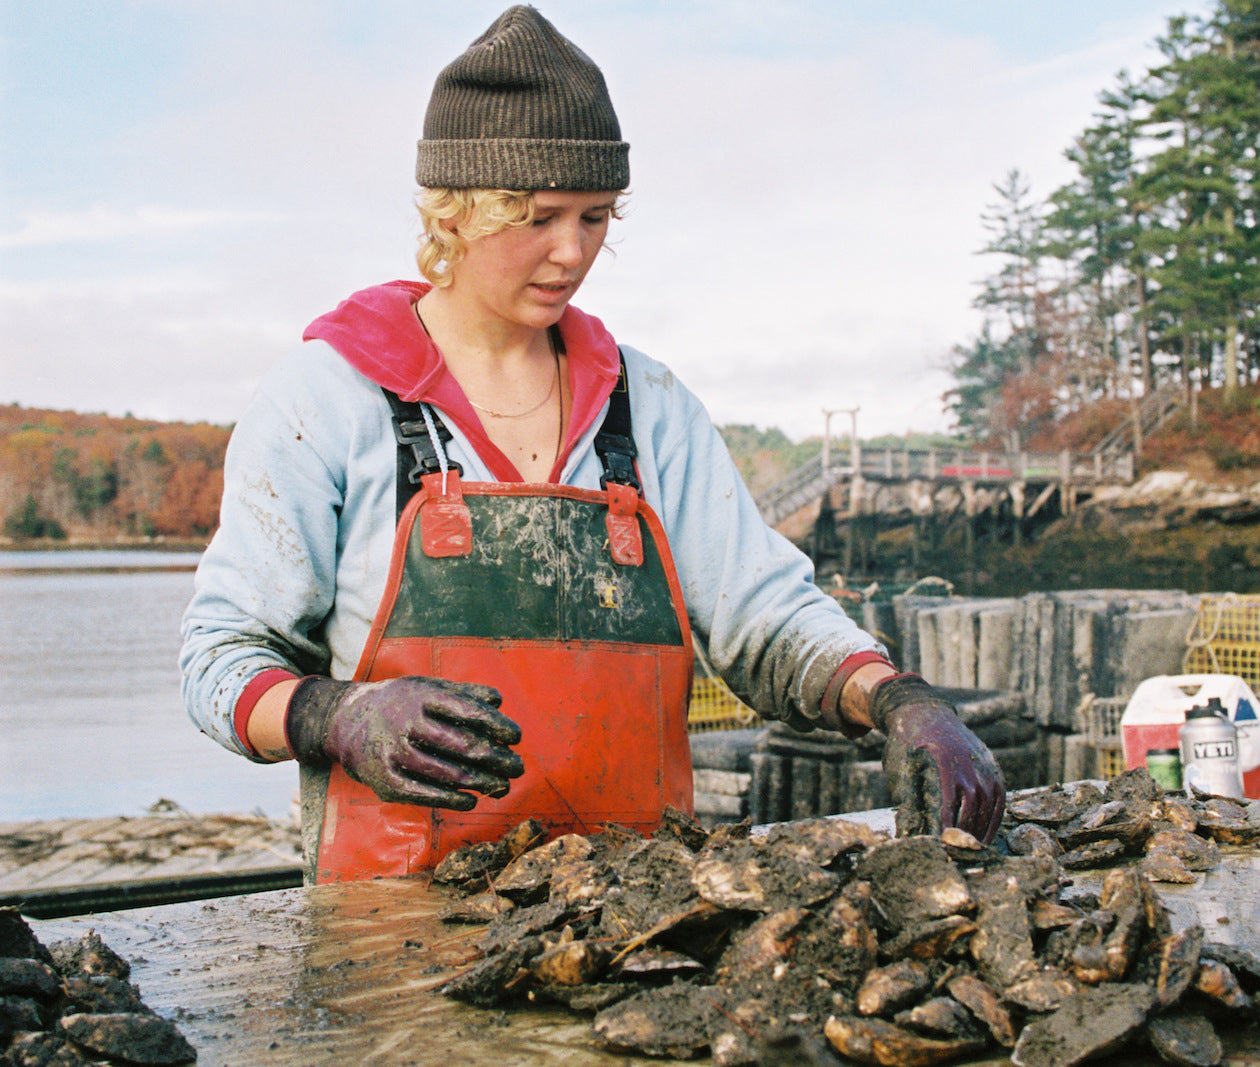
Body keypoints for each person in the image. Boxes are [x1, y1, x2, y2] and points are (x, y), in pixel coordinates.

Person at [180, 5, 1005, 885]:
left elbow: (762, 612)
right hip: (395, 928)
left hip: (636, 917)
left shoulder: (648, 406)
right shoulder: (327, 399)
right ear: (455, 213)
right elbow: (219, 659)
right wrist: (332, 715)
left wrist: (895, 696)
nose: (571, 253)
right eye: (538, 217)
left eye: (597, 216)